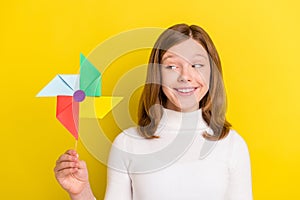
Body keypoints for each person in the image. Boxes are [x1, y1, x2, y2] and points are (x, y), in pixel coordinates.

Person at [54, 24, 252, 200]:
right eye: (172, 66)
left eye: (197, 65)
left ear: (213, 73)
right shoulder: (127, 143)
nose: (185, 76)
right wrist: (80, 193)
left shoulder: (232, 144)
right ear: (156, 74)